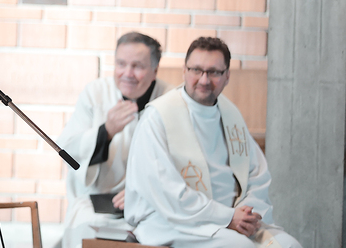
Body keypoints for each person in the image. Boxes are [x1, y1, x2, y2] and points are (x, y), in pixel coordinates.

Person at [125, 37, 302, 248]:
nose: (204, 80)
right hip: (170, 221)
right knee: (240, 246)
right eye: (196, 70)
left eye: (214, 72)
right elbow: (165, 189)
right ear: (184, 71)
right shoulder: (158, 117)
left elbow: (256, 174)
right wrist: (226, 217)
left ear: (227, 76)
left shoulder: (231, 115)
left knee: (289, 245)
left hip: (232, 219)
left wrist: (246, 213)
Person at [56, 32, 171, 248]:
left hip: (152, 202)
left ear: (155, 70)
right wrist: (105, 131)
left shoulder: (169, 99)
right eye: (121, 64)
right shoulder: (95, 93)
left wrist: (143, 191)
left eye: (137, 66)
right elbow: (70, 150)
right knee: (84, 228)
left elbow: (180, 163)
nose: (127, 73)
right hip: (99, 201)